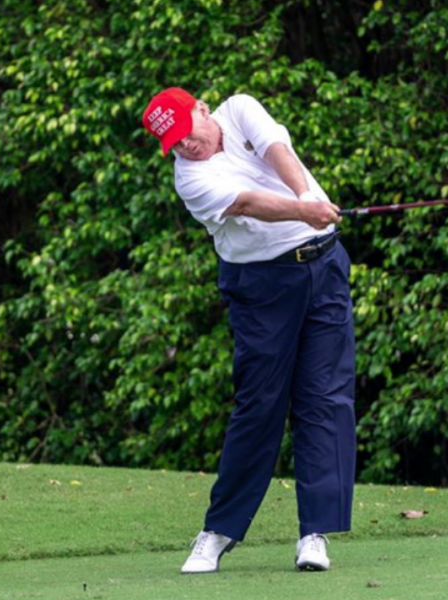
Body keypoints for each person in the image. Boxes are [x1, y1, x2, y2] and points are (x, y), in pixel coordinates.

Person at [141, 87, 357, 574]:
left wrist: (307, 197)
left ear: (201, 109)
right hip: (262, 286)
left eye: (186, 133)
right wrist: (304, 211)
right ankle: (219, 531)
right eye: (173, 144)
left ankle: (315, 533)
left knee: (325, 397)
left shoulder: (239, 109)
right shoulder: (190, 179)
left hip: (324, 267)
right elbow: (247, 203)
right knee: (259, 405)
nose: (185, 146)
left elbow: (277, 150)